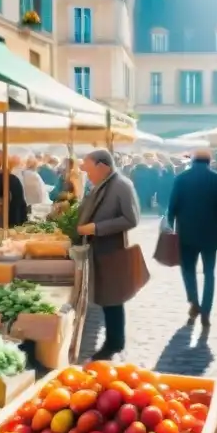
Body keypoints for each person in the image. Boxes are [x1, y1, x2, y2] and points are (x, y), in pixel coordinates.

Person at [77, 149, 141, 359]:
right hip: (100, 249)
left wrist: (96, 227)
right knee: (107, 297)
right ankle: (113, 341)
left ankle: (114, 343)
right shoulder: (103, 184)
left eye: (89, 169)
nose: (88, 174)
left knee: (113, 297)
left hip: (112, 249)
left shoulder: (122, 185)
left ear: (102, 166)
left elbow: (131, 219)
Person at [168, 149, 217, 328]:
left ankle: (194, 303)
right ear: (209, 161)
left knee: (188, 270)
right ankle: (206, 311)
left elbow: (172, 206)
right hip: (210, 232)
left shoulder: (181, 179)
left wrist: (172, 225)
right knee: (209, 273)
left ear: (193, 161)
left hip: (186, 233)